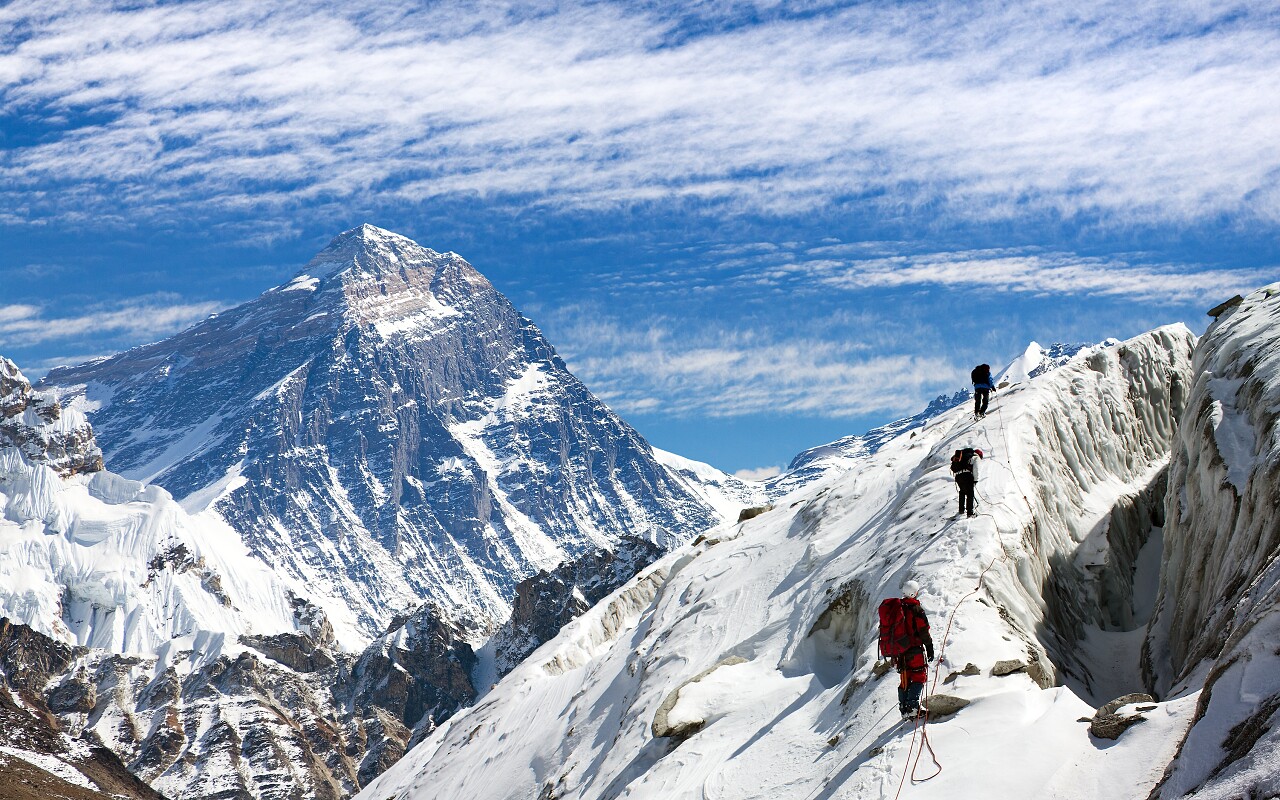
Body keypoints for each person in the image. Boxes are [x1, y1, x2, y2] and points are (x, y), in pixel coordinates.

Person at [894, 580, 934, 720]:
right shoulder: (916, 609)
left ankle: (904, 709)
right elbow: (923, 630)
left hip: (900, 652)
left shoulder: (898, 608)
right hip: (914, 650)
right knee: (918, 676)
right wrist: (929, 647)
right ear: (915, 593)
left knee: (905, 678)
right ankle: (912, 708)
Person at [950, 446, 983, 517]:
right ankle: (970, 513)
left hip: (958, 476)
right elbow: (976, 469)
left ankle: (961, 510)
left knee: (962, 491)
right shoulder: (976, 457)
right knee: (970, 493)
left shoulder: (964, 456)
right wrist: (975, 480)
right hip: (967, 475)